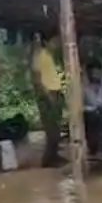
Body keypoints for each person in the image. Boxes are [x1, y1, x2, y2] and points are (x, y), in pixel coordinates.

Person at [30, 32, 67, 168]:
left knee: (56, 128)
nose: (57, 44)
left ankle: (53, 156)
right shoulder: (39, 55)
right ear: (46, 42)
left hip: (55, 92)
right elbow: (37, 79)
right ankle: (49, 159)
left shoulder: (49, 56)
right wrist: (47, 95)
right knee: (51, 128)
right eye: (55, 41)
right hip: (48, 94)